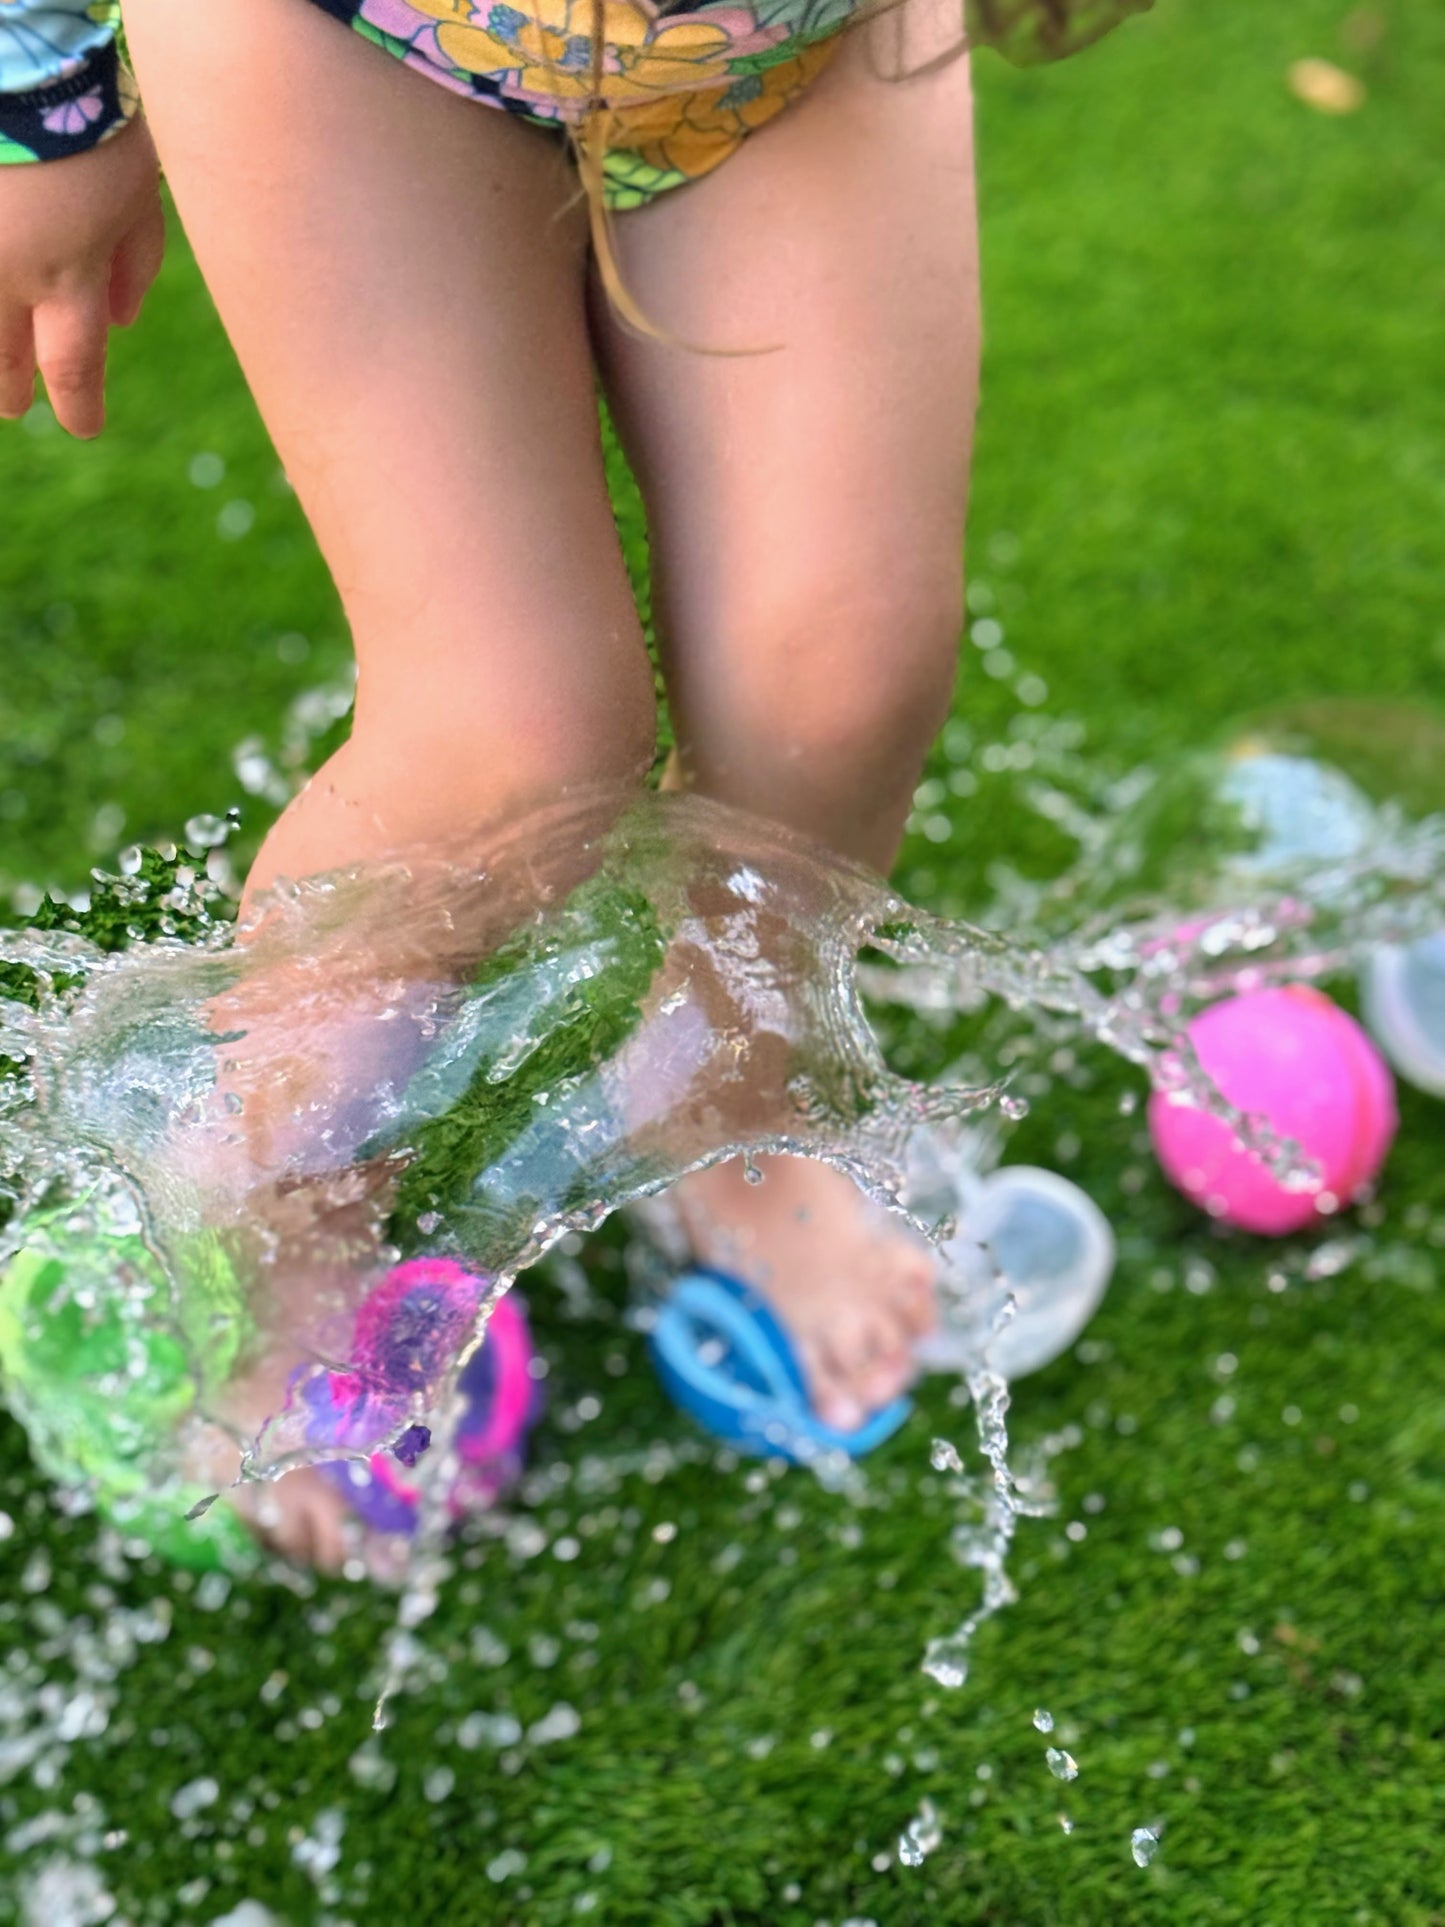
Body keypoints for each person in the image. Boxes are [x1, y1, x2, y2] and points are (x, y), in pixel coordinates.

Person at [0, 0, 1143, 1563]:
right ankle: (277, 1219)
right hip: (342, 36)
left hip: (779, 49)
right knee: (509, 738)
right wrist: (43, 92)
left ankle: (735, 1119)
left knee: (840, 678)